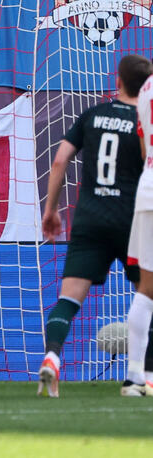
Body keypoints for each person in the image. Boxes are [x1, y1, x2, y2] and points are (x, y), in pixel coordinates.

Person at [39, 55, 153, 398]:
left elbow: (60, 160)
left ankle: (52, 357)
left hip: (90, 217)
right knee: (146, 296)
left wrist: (51, 210)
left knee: (69, 297)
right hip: (132, 219)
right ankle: (142, 374)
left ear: (117, 80)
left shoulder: (92, 115)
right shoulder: (143, 119)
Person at [124, 71, 153, 396]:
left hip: (148, 188)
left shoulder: (146, 87)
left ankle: (135, 378)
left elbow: (145, 150)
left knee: (146, 290)